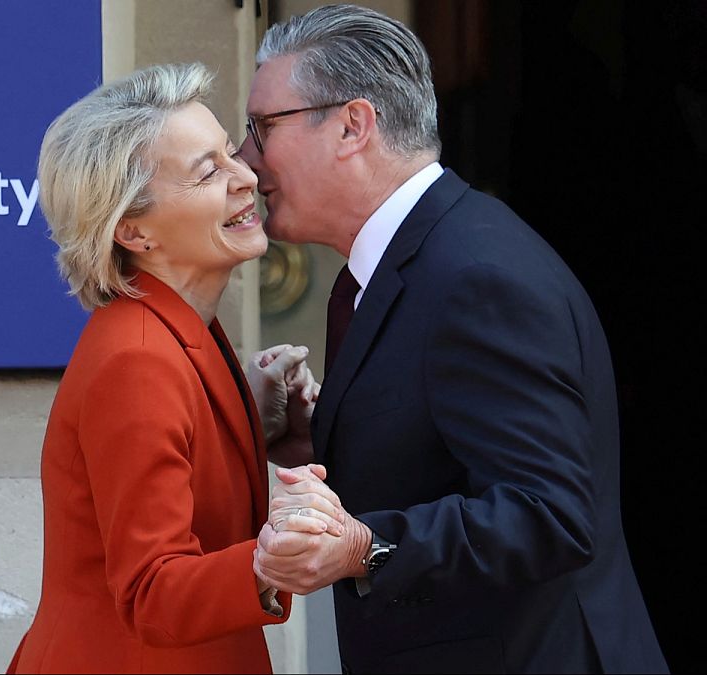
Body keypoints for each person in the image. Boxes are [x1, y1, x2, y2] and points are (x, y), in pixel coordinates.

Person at [240, 5, 669, 673]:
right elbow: (451, 454)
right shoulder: (404, 262)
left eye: (264, 127)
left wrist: (364, 546)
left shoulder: (476, 276)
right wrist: (321, 438)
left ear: (353, 126)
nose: (245, 160)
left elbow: (549, 515)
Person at [6, 62, 343, 674]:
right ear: (133, 231)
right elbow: (152, 591)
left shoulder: (175, 328)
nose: (246, 176)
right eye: (208, 171)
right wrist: (272, 558)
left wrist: (254, 427)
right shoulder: (137, 360)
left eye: (230, 152)